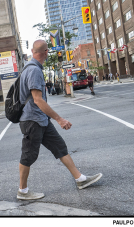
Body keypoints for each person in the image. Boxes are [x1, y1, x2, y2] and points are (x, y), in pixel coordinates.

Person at [17, 40, 102, 200]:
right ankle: (22, 191)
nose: (48, 53)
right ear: (45, 52)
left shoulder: (30, 68)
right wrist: (59, 119)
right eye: (47, 51)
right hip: (32, 121)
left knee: (60, 147)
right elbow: (38, 100)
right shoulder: (34, 70)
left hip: (41, 119)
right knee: (28, 156)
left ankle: (80, 179)